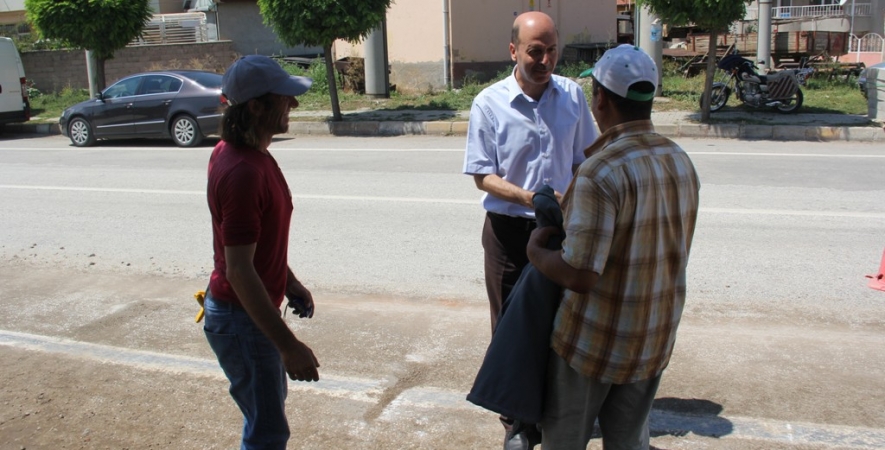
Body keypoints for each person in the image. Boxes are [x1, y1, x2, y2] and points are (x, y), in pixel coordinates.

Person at [526, 45, 701, 450]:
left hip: (593, 344)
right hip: (653, 337)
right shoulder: (679, 160)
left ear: (600, 99)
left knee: (563, 441)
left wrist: (537, 253)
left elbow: (580, 275)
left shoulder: (600, 172)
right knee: (629, 442)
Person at [462, 10, 598, 449]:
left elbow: (586, 159)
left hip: (559, 230)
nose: (545, 61)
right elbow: (482, 175)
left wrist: (570, 198)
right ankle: (517, 422)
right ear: (513, 51)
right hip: (508, 233)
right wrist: (530, 197)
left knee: (560, 322)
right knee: (510, 327)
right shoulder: (489, 103)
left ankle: (555, 411)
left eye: (551, 51)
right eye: (535, 51)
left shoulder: (572, 96)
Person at [203, 54, 320, 450]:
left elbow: (258, 244)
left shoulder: (248, 154)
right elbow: (239, 270)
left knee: (264, 425)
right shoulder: (243, 171)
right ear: (255, 107)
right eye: (284, 97)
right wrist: (288, 345)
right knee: (267, 434)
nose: (294, 104)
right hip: (242, 319)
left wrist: (288, 282)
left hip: (245, 315)